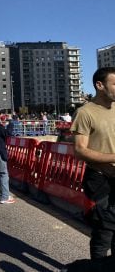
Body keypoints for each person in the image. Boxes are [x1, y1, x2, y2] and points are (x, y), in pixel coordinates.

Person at [71, 67, 115, 262]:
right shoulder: (85, 113)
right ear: (100, 85)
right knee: (104, 232)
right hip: (99, 179)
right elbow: (80, 150)